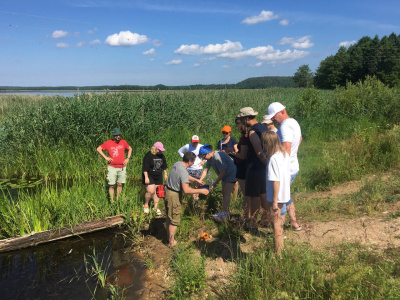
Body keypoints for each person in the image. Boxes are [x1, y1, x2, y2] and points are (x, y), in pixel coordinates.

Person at [266, 102, 302, 231]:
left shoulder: (285, 127)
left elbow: (286, 148)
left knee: (279, 200)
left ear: (281, 112)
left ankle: (279, 230)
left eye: (274, 116)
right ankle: (294, 223)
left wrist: (279, 168)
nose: (273, 119)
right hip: (293, 166)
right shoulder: (294, 122)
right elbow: (300, 139)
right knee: (286, 195)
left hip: (286, 169)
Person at [165, 152, 209, 248]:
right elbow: (186, 190)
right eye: (193, 162)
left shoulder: (177, 164)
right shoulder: (184, 171)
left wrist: (196, 180)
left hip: (168, 191)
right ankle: (171, 242)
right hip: (174, 195)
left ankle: (169, 238)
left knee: (169, 216)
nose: (193, 164)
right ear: (189, 161)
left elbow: (184, 176)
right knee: (174, 220)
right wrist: (201, 191)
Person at [236, 107, 268, 229]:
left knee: (254, 197)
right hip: (261, 168)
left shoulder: (253, 132)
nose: (241, 122)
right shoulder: (263, 127)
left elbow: (259, 152)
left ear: (246, 118)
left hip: (254, 167)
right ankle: (266, 219)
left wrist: (266, 163)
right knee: (262, 193)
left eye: (241, 119)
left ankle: (253, 223)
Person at [262, 131, 290, 258]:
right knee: (279, 225)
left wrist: (274, 202)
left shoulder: (273, 159)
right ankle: (280, 251)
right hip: (284, 194)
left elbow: (276, 181)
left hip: (276, 197)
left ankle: (278, 255)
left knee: (276, 226)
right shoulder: (284, 154)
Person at [198, 144, 237, 222]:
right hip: (224, 175)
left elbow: (222, 172)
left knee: (226, 193)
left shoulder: (217, 156)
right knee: (224, 192)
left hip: (231, 173)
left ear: (208, 153)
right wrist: (200, 180)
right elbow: (206, 170)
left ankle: (225, 214)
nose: (203, 158)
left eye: (204, 156)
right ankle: (225, 212)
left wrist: (214, 184)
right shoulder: (209, 159)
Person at [97, 128, 132, 202]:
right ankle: (112, 201)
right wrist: (106, 157)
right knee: (111, 184)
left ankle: (118, 199)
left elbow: (130, 149)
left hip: (122, 167)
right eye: (117, 135)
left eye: (119, 135)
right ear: (113, 135)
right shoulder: (108, 143)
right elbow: (99, 149)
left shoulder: (123, 142)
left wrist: (128, 158)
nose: (118, 136)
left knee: (120, 184)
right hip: (112, 167)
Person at [226, 117, 251, 222]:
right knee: (247, 193)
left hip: (242, 165)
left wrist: (230, 151)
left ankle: (246, 216)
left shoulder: (245, 137)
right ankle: (248, 215)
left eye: (237, 126)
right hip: (245, 165)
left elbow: (242, 155)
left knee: (246, 193)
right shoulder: (248, 135)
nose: (237, 128)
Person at [142, 142, 168, 216]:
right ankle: (146, 204)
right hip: (149, 175)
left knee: (158, 192)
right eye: (159, 150)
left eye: (161, 150)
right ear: (155, 148)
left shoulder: (162, 156)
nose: (160, 151)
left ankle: (155, 207)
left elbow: (164, 166)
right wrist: (146, 177)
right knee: (150, 191)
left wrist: (165, 174)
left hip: (158, 176)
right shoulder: (148, 155)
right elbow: (145, 168)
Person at [177, 135, 204, 201]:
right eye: (194, 142)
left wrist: (204, 161)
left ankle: (195, 199)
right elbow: (179, 151)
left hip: (198, 168)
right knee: (186, 183)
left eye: (196, 142)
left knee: (197, 184)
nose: (195, 144)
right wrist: (186, 158)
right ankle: (186, 199)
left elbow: (207, 154)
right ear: (191, 141)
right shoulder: (187, 146)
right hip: (189, 168)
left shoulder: (201, 146)